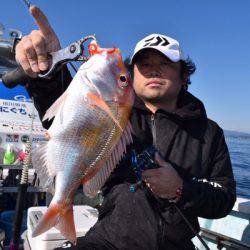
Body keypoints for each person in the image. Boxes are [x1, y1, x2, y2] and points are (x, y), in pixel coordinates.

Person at [15, 5, 236, 250]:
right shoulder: (119, 114)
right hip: (109, 240)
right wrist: (49, 69)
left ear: (184, 76)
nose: (153, 69)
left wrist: (180, 189)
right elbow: (65, 118)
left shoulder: (208, 132)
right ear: (132, 76)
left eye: (165, 63)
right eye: (144, 64)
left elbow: (224, 198)